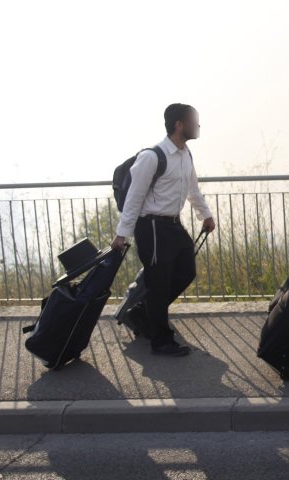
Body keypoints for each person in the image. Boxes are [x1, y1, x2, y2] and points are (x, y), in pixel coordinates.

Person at [111, 103, 215, 357]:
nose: (198, 125)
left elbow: (193, 190)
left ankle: (143, 313)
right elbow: (134, 197)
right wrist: (122, 234)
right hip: (153, 227)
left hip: (173, 225)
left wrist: (207, 215)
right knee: (159, 283)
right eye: (194, 121)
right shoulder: (152, 157)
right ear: (179, 125)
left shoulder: (185, 154)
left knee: (186, 271)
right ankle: (160, 341)